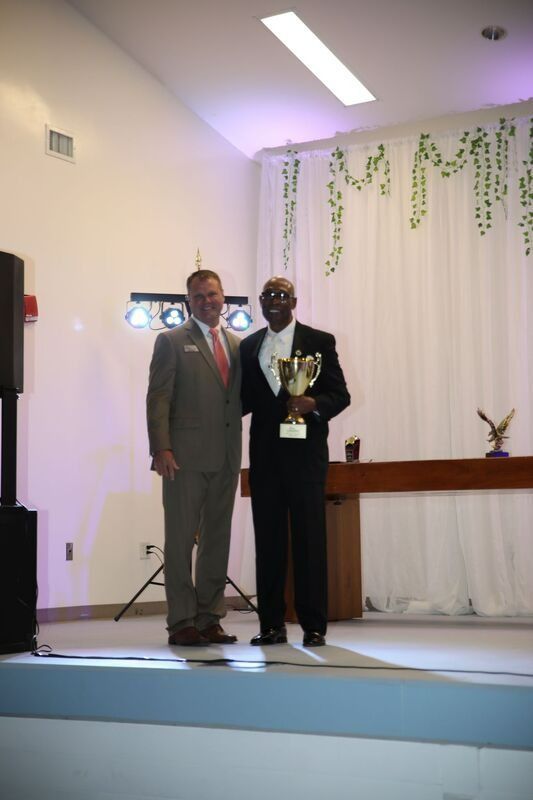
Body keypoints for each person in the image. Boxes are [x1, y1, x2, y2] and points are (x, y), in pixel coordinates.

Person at [241, 276, 350, 647]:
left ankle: (314, 626)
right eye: (268, 295)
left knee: (309, 542)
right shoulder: (249, 346)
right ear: (260, 301)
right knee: (268, 544)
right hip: (265, 460)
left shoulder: (319, 342)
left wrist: (314, 404)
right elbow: (241, 401)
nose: (274, 301)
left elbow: (340, 394)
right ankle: (271, 624)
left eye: (281, 295)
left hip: (306, 459)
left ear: (294, 301)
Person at [146, 269, 242, 646]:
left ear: (223, 297)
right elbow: (158, 398)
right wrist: (161, 448)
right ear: (189, 301)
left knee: (217, 539)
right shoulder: (170, 341)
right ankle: (181, 622)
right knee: (180, 540)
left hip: (227, 457)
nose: (207, 301)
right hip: (182, 459)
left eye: (213, 294)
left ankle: (209, 618)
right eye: (199, 295)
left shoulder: (237, 344)